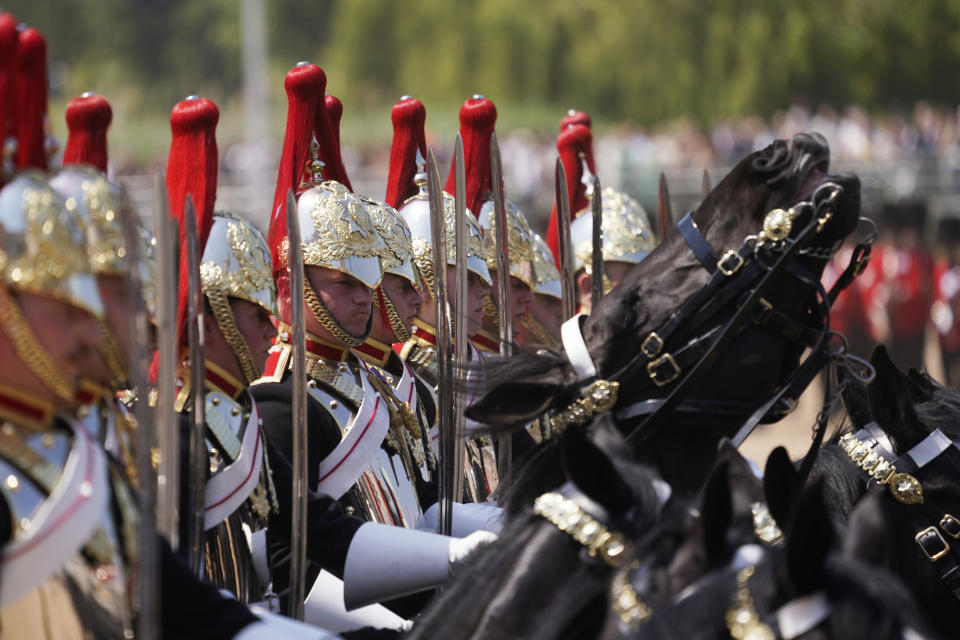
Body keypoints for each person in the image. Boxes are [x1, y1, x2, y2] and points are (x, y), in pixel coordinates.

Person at [250, 63, 495, 616]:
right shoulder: (284, 403)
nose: (365, 297)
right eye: (343, 282)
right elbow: (287, 563)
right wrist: (387, 625)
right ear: (291, 290)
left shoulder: (377, 387)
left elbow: (424, 512)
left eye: (368, 282)